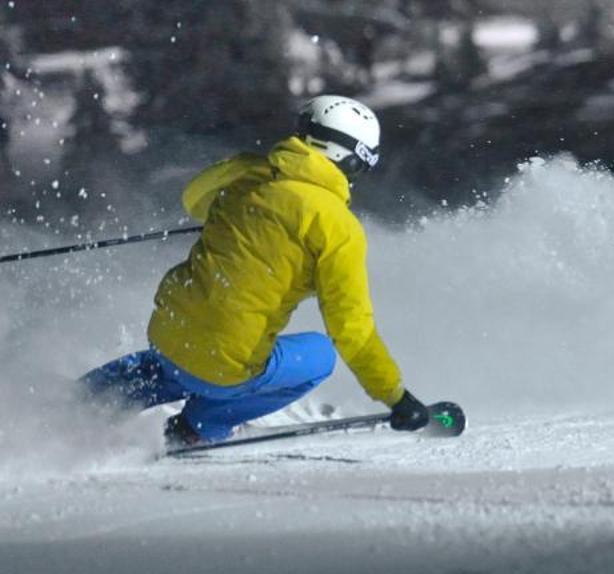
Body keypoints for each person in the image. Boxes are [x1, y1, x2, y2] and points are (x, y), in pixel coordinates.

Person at [77, 95, 434, 449]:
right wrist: (395, 397)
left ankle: (79, 402)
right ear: (351, 160)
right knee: (319, 355)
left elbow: (193, 200)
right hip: (225, 367)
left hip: (168, 330)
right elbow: (351, 330)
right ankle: (198, 427)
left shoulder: (248, 172)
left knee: (174, 359)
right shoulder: (339, 227)